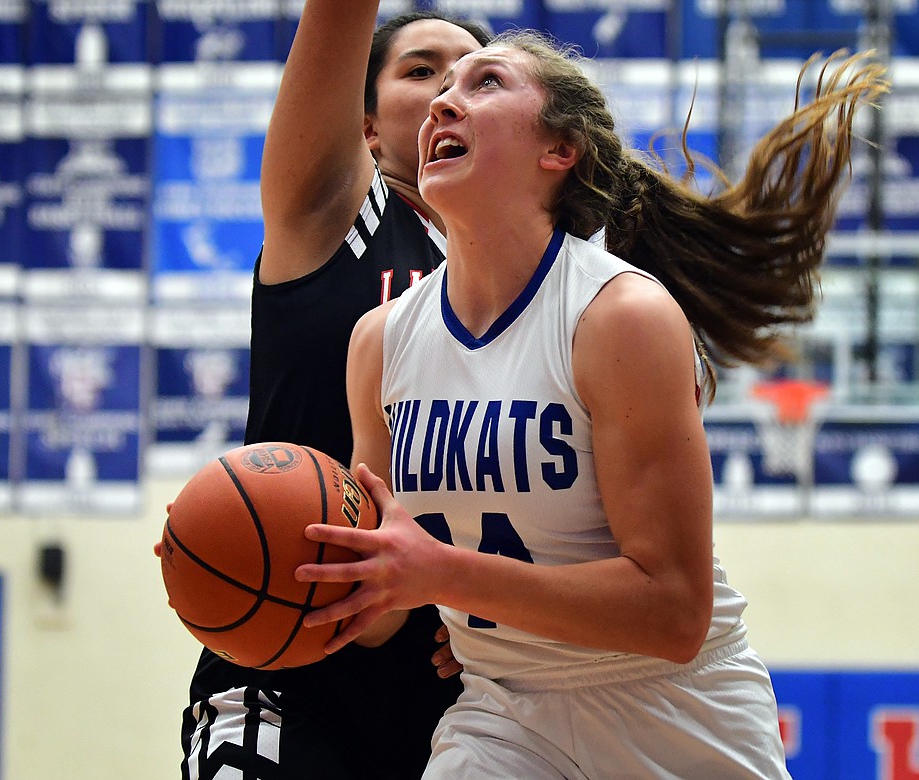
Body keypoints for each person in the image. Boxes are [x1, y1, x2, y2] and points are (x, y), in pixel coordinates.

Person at [296, 33, 889, 778]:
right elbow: (380, 613)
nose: (444, 100)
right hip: (503, 716)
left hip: (674, 713)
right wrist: (270, 563)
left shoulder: (619, 317)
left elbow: (672, 613)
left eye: (485, 82)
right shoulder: (378, 343)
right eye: (439, 87)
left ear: (560, 150)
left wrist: (444, 575)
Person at [177, 4, 492, 779]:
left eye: (480, 78)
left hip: (466, 696)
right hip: (288, 668)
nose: (453, 92)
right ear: (367, 128)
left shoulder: (545, 283)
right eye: (422, 71)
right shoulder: (337, 211)